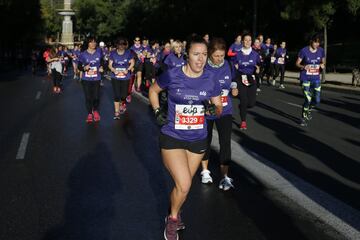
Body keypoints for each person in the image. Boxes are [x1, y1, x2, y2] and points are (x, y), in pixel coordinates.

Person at [149, 35, 222, 240]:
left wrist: (212, 110)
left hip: (198, 138)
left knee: (183, 186)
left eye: (204, 55)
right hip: (172, 135)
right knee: (185, 184)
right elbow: (153, 91)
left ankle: (175, 211)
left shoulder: (210, 79)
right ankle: (172, 220)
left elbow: (219, 107)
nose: (200, 59)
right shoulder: (172, 75)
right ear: (187, 55)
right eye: (196, 54)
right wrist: (157, 111)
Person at [200, 38, 238, 190]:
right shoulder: (203, 66)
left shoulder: (228, 64)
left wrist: (234, 87)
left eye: (222, 56)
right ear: (209, 54)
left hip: (225, 110)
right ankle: (205, 171)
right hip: (207, 110)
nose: (219, 59)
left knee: (225, 142)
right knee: (205, 140)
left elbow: (234, 78)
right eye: (216, 56)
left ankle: (225, 176)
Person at [296, 34, 325, 127]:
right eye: (315, 42)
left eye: (318, 42)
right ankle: (303, 118)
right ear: (311, 41)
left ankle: (308, 110)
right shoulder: (304, 50)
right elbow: (297, 63)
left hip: (316, 78)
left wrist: (322, 65)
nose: (317, 44)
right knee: (308, 99)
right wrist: (303, 66)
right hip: (305, 78)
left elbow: (323, 61)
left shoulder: (321, 50)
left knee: (317, 100)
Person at [234, 33, 261, 130]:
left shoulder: (255, 54)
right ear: (242, 42)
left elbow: (259, 65)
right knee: (244, 100)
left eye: (249, 40)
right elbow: (234, 67)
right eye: (245, 40)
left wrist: (258, 70)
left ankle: (242, 106)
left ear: (251, 42)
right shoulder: (237, 54)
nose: (247, 42)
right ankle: (243, 121)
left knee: (251, 103)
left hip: (251, 78)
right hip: (240, 78)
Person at [78, 36, 104, 123]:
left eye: (94, 42)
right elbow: (79, 66)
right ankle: (89, 113)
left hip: (96, 78)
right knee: (88, 97)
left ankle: (95, 110)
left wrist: (102, 67)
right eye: (91, 42)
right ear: (87, 43)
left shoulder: (99, 52)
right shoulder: (83, 54)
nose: (93, 44)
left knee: (96, 97)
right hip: (86, 79)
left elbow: (103, 62)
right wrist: (84, 68)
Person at [108, 37, 135, 119]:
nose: (121, 46)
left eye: (123, 44)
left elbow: (132, 63)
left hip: (125, 77)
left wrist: (128, 69)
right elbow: (110, 65)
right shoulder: (113, 53)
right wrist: (113, 70)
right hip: (115, 76)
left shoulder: (128, 53)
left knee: (124, 95)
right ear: (117, 45)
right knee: (116, 94)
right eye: (120, 44)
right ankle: (116, 112)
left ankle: (122, 103)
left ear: (125, 45)